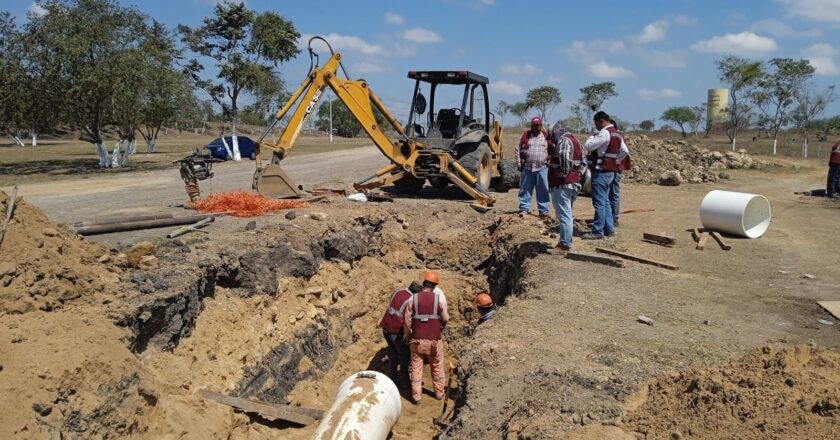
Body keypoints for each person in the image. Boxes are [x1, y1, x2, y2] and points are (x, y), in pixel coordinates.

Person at [403, 271, 449, 404]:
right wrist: (439, 326)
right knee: (437, 365)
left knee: (416, 367)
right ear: (434, 286)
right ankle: (439, 393)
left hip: (417, 340)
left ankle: (416, 397)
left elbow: (407, 320)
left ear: (424, 284)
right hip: (434, 340)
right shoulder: (438, 299)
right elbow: (445, 318)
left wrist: (408, 334)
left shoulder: (413, 298)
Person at [582, 111, 628, 240]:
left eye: (596, 124)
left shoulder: (604, 133)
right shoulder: (617, 133)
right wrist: (615, 161)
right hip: (610, 171)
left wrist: (592, 135)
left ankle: (598, 231)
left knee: (599, 203)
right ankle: (609, 229)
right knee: (606, 201)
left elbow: (588, 146)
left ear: (601, 121)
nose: (596, 126)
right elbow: (625, 151)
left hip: (601, 171)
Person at [547, 122, 585, 253]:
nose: (551, 138)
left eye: (551, 135)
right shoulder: (576, 140)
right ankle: (564, 241)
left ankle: (564, 244)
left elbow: (564, 157)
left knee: (564, 215)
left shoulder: (563, 141)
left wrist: (563, 173)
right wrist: (578, 174)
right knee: (566, 213)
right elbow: (583, 162)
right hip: (573, 183)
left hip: (563, 184)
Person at [378, 281, 422, 390]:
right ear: (416, 292)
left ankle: (393, 379)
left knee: (392, 353)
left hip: (386, 328)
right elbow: (407, 319)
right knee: (405, 355)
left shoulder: (399, 291)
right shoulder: (411, 299)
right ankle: (405, 383)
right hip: (395, 331)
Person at [516, 116, 553, 217]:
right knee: (525, 189)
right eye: (533, 125)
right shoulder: (525, 136)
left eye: (537, 125)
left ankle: (543, 210)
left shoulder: (546, 137)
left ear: (541, 126)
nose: (535, 127)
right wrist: (519, 163)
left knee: (543, 190)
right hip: (527, 168)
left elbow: (552, 151)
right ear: (531, 126)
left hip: (542, 168)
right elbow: (517, 149)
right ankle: (523, 208)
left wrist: (550, 161)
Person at [608, 119, 631, 227]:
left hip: (615, 169)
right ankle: (609, 217)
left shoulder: (616, 136)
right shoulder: (617, 135)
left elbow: (625, 151)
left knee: (613, 193)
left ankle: (614, 218)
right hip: (613, 168)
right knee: (609, 194)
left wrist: (615, 161)